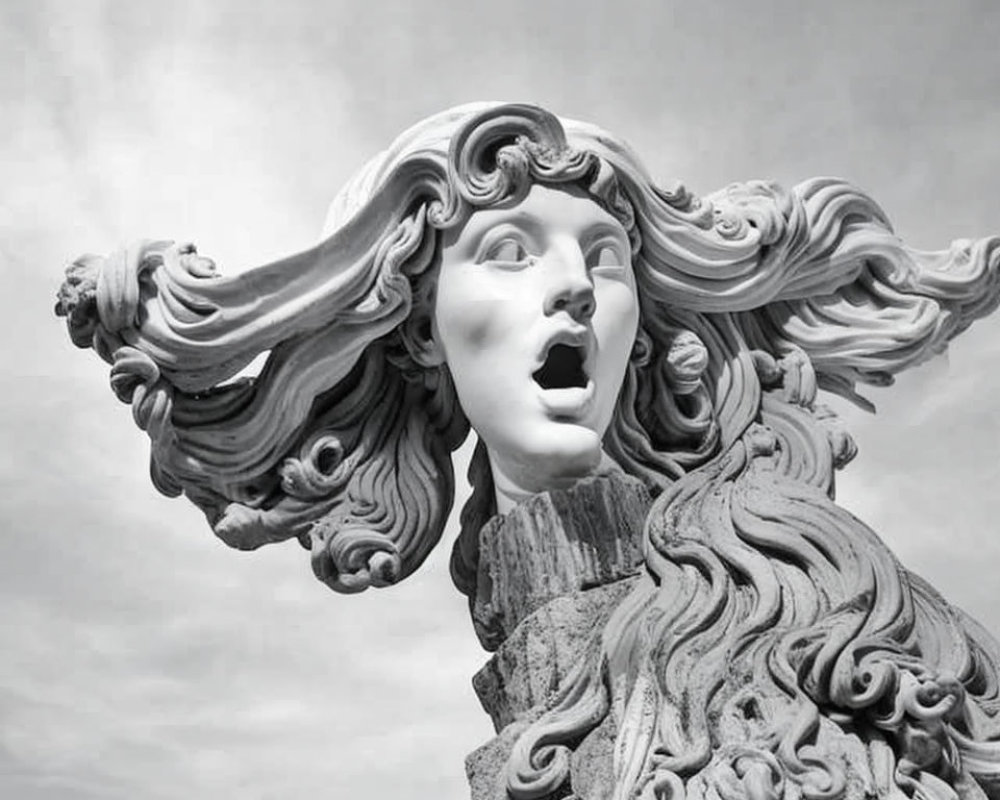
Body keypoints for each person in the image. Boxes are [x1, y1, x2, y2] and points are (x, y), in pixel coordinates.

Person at [56, 102, 1000, 799]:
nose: (576, 291)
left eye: (605, 259)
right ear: (421, 329)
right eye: (510, 251)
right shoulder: (524, 600)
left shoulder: (777, 579)